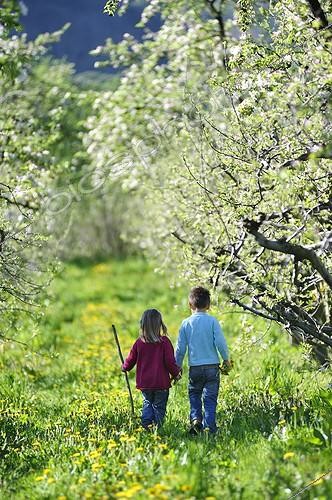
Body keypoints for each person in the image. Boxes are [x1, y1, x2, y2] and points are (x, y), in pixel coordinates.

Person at [175, 286, 231, 434]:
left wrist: (177, 367)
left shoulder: (186, 323)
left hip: (195, 368)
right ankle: (210, 427)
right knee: (210, 398)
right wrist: (226, 359)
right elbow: (220, 342)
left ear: (190, 305)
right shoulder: (212, 321)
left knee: (194, 394)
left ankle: (196, 420)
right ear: (209, 305)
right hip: (212, 367)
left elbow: (180, 349)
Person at [122, 308, 181, 429]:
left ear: (142, 325)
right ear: (160, 325)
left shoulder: (139, 342)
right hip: (161, 383)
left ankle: (146, 424)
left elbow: (131, 359)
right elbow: (170, 362)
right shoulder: (164, 342)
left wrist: (125, 367)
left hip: (145, 383)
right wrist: (176, 374)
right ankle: (157, 427)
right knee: (159, 406)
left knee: (147, 403)